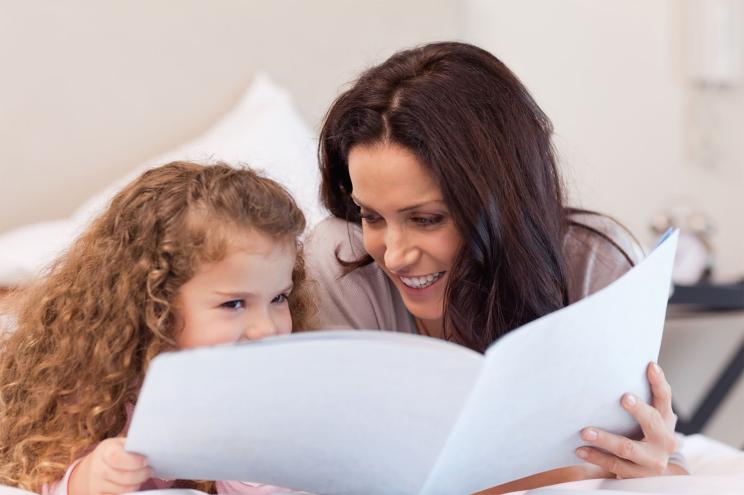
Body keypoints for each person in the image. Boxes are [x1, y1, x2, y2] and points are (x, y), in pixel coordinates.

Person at [305, 41, 687, 489]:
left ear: (501, 203)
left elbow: (642, 458)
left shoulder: (594, 263)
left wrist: (655, 460)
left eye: (426, 219)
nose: (393, 254)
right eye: (371, 216)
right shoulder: (340, 262)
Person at [0, 162, 313, 495]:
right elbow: (39, 474)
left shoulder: (272, 384)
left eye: (279, 297)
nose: (266, 328)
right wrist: (87, 479)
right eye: (233, 304)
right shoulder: (98, 382)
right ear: (155, 304)